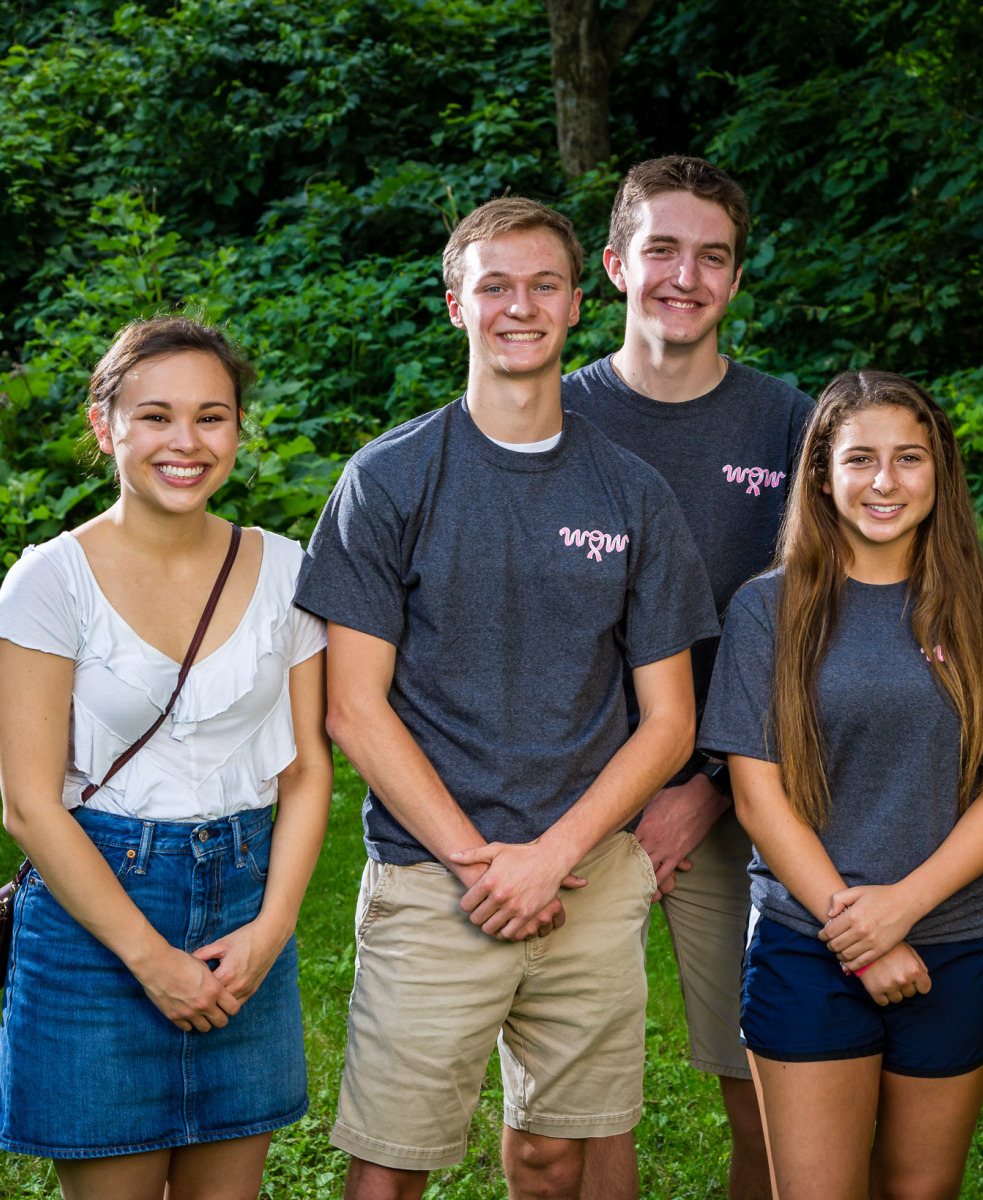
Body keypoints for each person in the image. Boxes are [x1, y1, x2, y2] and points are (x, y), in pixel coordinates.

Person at [295, 196, 718, 1200]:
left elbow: (671, 724)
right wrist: (481, 864)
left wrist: (551, 858)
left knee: (557, 1156)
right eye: (495, 286)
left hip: (586, 877)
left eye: (542, 285)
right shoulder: (388, 480)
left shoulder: (632, 493)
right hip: (432, 878)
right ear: (456, 305)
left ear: (576, 303)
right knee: (388, 1165)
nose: (519, 306)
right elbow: (354, 707)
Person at [0, 316, 332, 1199]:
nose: (187, 442)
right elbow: (30, 806)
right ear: (106, 428)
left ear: (239, 430)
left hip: (245, 913)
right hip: (96, 922)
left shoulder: (287, 571)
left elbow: (305, 772)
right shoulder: (49, 583)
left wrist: (271, 931)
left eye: (212, 417)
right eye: (156, 416)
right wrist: (150, 959)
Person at [699, 370, 983, 1199]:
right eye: (860, 458)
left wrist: (899, 911)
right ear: (822, 474)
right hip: (808, 945)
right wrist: (859, 935)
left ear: (940, 471)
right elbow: (759, 797)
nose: (885, 482)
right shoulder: (767, 610)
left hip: (957, 944)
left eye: (909, 457)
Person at [562, 154, 812, 1200]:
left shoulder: (792, 426)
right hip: (570, 801)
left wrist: (704, 789)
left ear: (737, 280)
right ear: (617, 264)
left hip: (737, 793)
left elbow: (811, 631)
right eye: (662, 249)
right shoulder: (550, 415)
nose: (685, 276)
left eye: (713, 257)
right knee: (568, 1125)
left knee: (768, 1098)